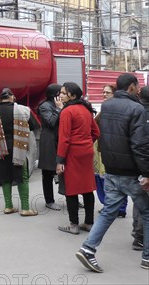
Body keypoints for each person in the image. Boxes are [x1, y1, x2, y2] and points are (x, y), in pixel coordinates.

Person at [76, 73, 149, 273]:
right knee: (147, 212)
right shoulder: (137, 109)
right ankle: (147, 258)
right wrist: (146, 172)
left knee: (108, 211)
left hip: (111, 169)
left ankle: (88, 249)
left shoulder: (106, 106)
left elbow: (102, 134)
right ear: (132, 87)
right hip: (131, 172)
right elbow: (140, 145)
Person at [0, 88, 40, 217]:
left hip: (1, 149)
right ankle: (25, 208)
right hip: (18, 148)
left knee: (5, 177)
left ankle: (8, 206)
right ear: (13, 97)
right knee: (22, 177)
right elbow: (32, 126)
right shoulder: (23, 110)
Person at [56, 82, 99, 235]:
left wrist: (60, 160)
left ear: (72, 96)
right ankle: (88, 223)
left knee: (71, 189)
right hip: (86, 152)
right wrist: (86, 143)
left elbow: (64, 138)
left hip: (72, 153)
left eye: (63, 93)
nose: (60, 95)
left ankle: (73, 225)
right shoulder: (86, 109)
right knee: (87, 188)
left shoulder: (67, 112)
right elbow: (96, 132)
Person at [94, 85, 128, 217]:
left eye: (107, 92)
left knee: (114, 180)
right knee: (103, 179)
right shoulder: (104, 108)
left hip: (115, 150)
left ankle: (118, 208)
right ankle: (111, 206)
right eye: (103, 92)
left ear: (114, 94)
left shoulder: (119, 109)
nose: (104, 94)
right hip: (102, 149)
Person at [37, 83, 63, 211]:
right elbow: (51, 122)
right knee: (48, 173)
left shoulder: (61, 105)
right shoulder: (45, 107)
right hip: (49, 142)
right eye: (61, 93)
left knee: (65, 171)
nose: (62, 95)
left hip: (60, 141)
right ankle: (49, 200)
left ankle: (71, 197)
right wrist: (59, 109)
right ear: (55, 95)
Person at [131, 85, 149, 251]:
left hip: (134, 164)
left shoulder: (134, 112)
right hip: (145, 165)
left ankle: (138, 234)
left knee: (139, 200)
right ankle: (141, 237)